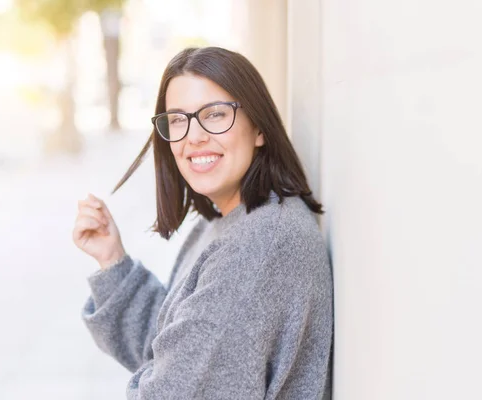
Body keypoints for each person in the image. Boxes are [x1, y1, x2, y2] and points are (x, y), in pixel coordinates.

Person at [72, 47, 333, 399]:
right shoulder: (227, 222)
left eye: (214, 114)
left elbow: (178, 388)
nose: (194, 136)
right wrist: (112, 258)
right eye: (178, 119)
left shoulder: (261, 246)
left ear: (259, 127)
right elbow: (171, 349)